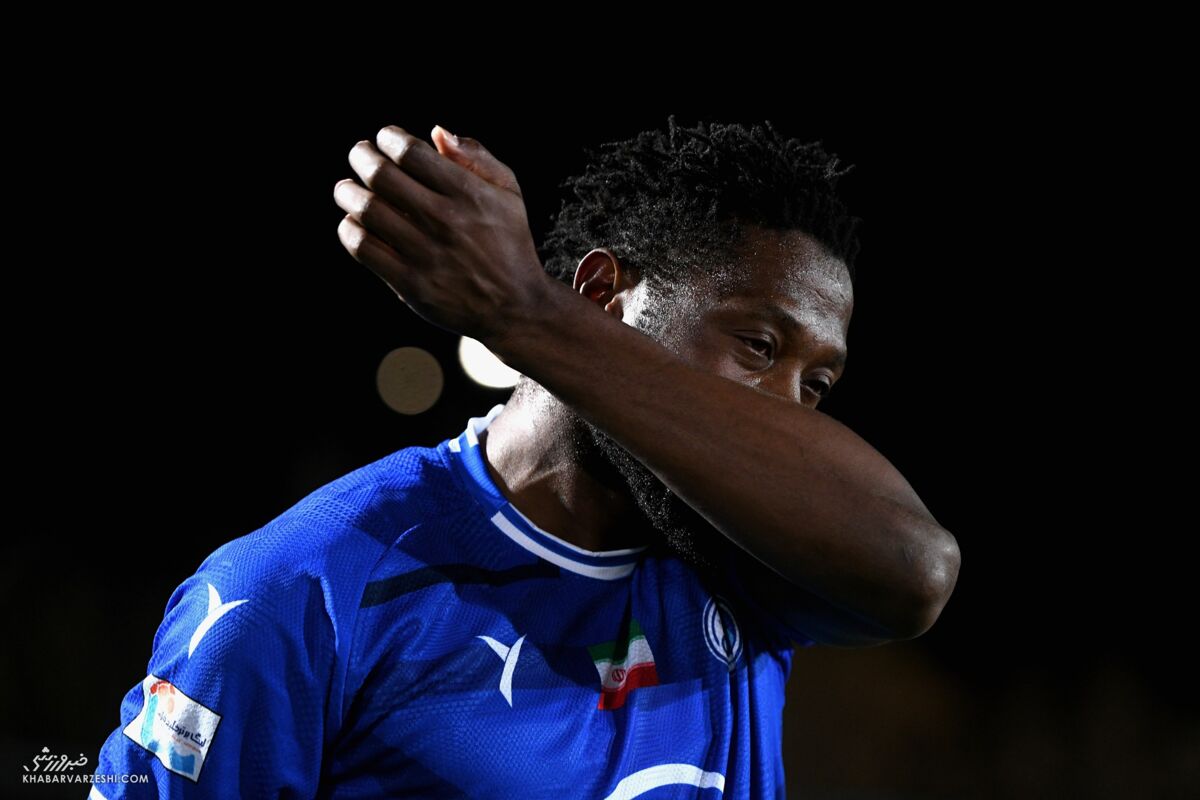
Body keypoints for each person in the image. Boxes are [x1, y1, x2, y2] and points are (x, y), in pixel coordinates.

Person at [88, 117, 960, 798]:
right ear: (603, 295)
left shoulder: (747, 567)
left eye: (817, 385)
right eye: (759, 348)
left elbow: (914, 566)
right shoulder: (304, 589)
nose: (786, 412)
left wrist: (525, 313)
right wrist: (532, 317)